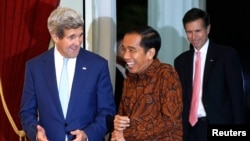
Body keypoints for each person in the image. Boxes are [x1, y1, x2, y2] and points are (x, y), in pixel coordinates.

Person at [19, 7, 116, 141]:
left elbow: (107, 112)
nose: (78, 42)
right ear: (55, 36)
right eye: (72, 37)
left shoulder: (98, 65)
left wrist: (87, 135)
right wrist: (36, 133)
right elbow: (27, 112)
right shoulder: (35, 67)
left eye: (80, 35)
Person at [174, 8, 246, 141]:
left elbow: (237, 99)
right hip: (190, 130)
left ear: (208, 29)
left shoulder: (226, 55)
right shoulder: (180, 61)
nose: (193, 37)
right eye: (189, 32)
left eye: (198, 31)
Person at [111, 26, 183, 141]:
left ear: (150, 53)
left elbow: (170, 122)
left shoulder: (166, 74)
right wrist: (118, 124)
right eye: (123, 49)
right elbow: (123, 116)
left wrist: (128, 134)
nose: (125, 55)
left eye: (132, 50)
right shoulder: (129, 78)